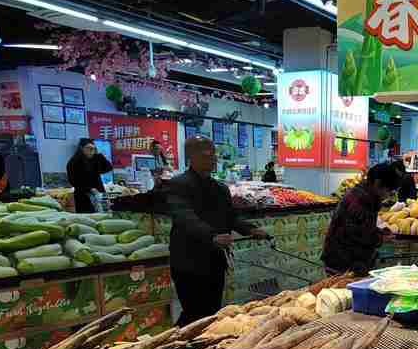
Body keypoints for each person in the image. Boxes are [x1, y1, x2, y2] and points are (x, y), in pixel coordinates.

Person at [112, 136, 268, 326]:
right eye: (207, 155)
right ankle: (180, 347)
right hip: (188, 260)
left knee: (212, 312)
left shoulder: (220, 188)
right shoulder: (177, 185)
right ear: (191, 157)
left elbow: (230, 217)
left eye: (214, 155)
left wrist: (251, 229)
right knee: (193, 312)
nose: (213, 159)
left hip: (215, 260)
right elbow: (185, 217)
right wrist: (212, 236)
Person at [322, 163, 400, 275]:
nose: (387, 196)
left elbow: (363, 227)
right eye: (388, 191)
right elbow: (358, 234)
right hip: (342, 263)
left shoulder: (365, 195)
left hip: (345, 260)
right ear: (377, 183)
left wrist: (380, 232)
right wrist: (381, 238)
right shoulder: (361, 201)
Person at [67, 138, 113, 213]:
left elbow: (108, 168)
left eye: (94, 149)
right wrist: (89, 189)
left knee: (103, 216)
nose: (92, 151)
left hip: (99, 193)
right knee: (88, 217)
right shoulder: (73, 162)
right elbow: (73, 181)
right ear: (81, 148)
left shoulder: (95, 159)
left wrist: (100, 156)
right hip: (83, 195)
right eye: (89, 148)